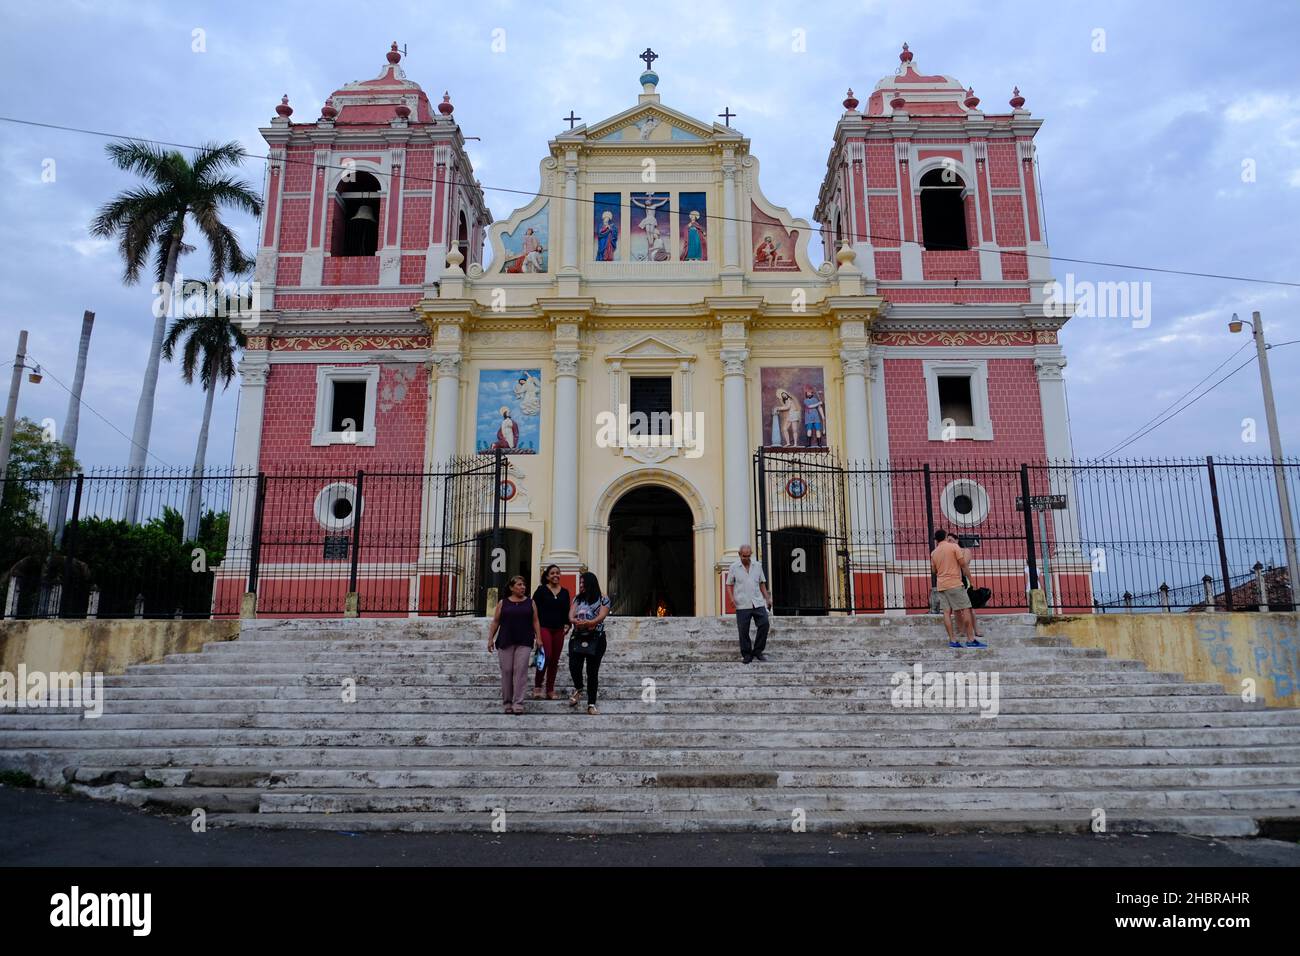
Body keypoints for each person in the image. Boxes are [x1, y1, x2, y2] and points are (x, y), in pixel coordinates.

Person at [487, 575, 541, 715]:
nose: (523, 587)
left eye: (523, 584)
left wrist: (539, 638)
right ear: (511, 587)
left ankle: (518, 703)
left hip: (524, 641)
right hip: (506, 640)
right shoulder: (503, 603)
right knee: (506, 671)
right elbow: (495, 621)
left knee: (520, 671)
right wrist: (490, 639)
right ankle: (507, 702)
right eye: (519, 584)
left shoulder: (531, 603)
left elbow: (535, 621)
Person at [568, 571, 611, 715]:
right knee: (574, 665)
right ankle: (579, 688)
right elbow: (570, 615)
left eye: (583, 583)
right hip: (578, 636)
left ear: (590, 583)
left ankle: (591, 704)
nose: (580, 585)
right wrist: (575, 621)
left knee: (592, 671)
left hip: (596, 638)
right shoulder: (577, 599)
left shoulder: (603, 599)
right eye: (580, 583)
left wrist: (589, 622)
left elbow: (602, 616)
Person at [931, 530, 983, 648]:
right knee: (966, 609)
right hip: (954, 583)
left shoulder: (934, 553)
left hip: (941, 585)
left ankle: (953, 640)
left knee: (946, 613)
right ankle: (970, 639)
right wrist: (971, 580)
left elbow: (934, 571)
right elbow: (963, 565)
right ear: (945, 536)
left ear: (936, 539)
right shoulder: (954, 547)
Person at [726, 544, 772, 663]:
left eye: (748, 555)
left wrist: (767, 598)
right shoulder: (734, 567)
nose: (746, 558)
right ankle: (746, 654)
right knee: (743, 630)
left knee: (764, 624)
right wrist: (731, 598)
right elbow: (729, 584)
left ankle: (757, 651)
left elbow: (762, 583)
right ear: (739, 555)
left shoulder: (757, 566)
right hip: (742, 603)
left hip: (757, 602)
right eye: (744, 556)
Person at [532, 564, 571, 700]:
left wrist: (568, 624)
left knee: (554, 660)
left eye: (558, 573)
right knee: (546, 656)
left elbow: (567, 610)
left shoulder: (565, 592)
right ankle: (537, 686)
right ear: (547, 576)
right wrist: (535, 632)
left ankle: (550, 689)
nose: (556, 575)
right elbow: (533, 609)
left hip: (559, 629)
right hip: (544, 627)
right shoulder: (541, 590)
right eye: (552, 573)